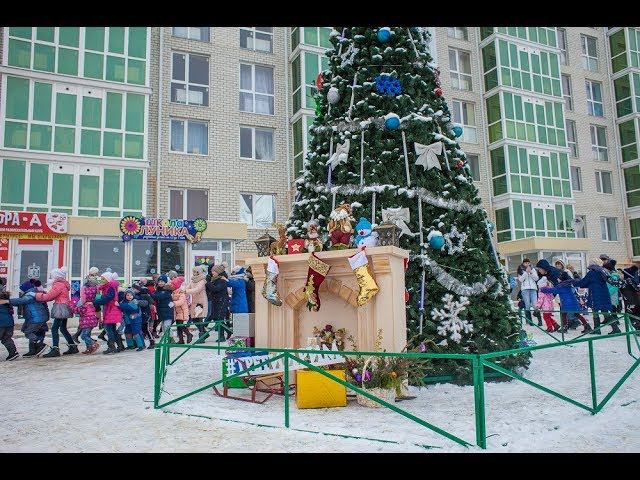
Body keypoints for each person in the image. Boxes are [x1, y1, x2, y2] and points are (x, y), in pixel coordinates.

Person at [1, 280, 49, 357]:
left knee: (28, 332)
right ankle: (33, 350)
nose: (21, 292)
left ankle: (40, 344)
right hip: (36, 317)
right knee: (28, 330)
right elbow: (22, 303)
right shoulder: (35, 293)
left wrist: (7, 301)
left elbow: (22, 301)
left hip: (36, 318)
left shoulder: (30, 295)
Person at [572, 258, 620, 335]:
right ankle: (615, 328)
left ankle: (597, 330)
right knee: (605, 312)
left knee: (595, 311)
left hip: (595, 294)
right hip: (604, 294)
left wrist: (573, 282)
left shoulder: (592, 272)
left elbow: (583, 282)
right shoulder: (602, 271)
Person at [37, 267, 77, 358]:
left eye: (52, 275)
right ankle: (72, 346)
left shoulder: (58, 284)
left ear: (56, 276)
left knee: (55, 328)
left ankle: (55, 349)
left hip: (60, 307)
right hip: (65, 306)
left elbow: (49, 296)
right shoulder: (63, 284)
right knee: (63, 328)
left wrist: (37, 296)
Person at [93, 272, 126, 354]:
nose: (102, 280)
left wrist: (96, 302)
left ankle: (111, 347)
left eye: (103, 279)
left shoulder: (110, 287)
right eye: (101, 278)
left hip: (111, 310)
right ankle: (120, 345)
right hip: (109, 309)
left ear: (108, 279)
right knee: (113, 329)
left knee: (109, 329)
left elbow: (109, 297)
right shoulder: (107, 287)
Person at [185, 265, 209, 343]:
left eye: (196, 272)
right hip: (195, 301)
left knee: (200, 319)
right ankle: (205, 333)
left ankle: (201, 337)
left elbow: (197, 289)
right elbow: (188, 287)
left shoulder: (202, 281)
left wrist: (186, 291)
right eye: (193, 271)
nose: (194, 273)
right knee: (195, 319)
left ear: (199, 272)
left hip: (201, 301)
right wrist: (183, 290)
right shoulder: (193, 280)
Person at [208, 264, 230, 342]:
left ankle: (222, 336)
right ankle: (228, 331)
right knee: (216, 318)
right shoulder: (215, 279)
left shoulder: (221, 280)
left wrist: (208, 283)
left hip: (222, 301)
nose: (212, 272)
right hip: (217, 301)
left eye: (213, 271)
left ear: (217, 272)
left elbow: (216, 289)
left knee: (219, 318)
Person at [169, 276, 192, 344]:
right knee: (178, 327)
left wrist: (173, 303)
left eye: (172, 285)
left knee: (180, 325)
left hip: (182, 311)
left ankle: (189, 334)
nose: (171, 287)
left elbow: (181, 301)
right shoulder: (173, 293)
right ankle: (181, 340)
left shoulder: (181, 292)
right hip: (177, 312)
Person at [132, 280, 155, 349]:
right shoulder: (135, 295)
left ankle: (152, 342)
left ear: (138, 289)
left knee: (146, 329)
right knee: (140, 329)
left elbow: (147, 303)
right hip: (140, 315)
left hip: (145, 314)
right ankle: (138, 343)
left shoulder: (144, 295)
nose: (133, 290)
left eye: (134, 289)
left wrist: (137, 302)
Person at [151, 275, 174, 341]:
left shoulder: (167, 290)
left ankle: (171, 339)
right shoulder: (158, 290)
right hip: (161, 311)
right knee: (164, 327)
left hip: (167, 311)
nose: (160, 283)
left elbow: (158, 296)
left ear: (166, 282)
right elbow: (155, 296)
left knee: (167, 326)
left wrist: (150, 294)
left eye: (162, 281)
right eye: (159, 281)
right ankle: (168, 339)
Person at [517, 258, 539, 327]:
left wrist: (531, 272)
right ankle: (530, 322)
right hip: (525, 289)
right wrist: (526, 272)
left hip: (533, 289)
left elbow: (536, 278)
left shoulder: (533, 269)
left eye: (528, 263)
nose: (527, 264)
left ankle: (540, 321)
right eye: (525, 263)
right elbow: (520, 280)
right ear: (523, 263)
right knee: (527, 306)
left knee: (535, 305)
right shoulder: (520, 270)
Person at [0, 279, 18, 361]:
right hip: (9, 322)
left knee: (5, 338)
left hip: (1, 323)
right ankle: (13, 353)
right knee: (6, 338)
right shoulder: (5, 296)